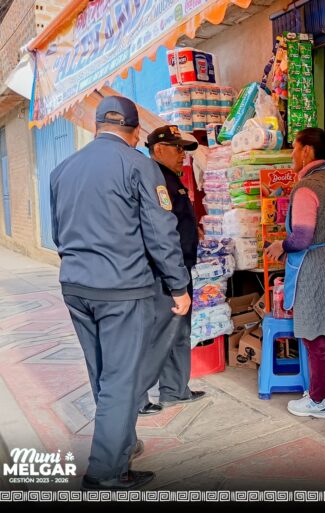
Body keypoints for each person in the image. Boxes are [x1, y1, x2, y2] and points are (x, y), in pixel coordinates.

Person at [50, 97, 191, 490]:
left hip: (75, 287)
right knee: (122, 378)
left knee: (103, 373)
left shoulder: (62, 169)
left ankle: (121, 445)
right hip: (121, 289)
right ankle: (105, 472)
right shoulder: (140, 166)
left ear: (97, 126)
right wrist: (178, 286)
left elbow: (58, 235)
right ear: (134, 133)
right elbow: (162, 233)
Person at [264, 128, 325, 419]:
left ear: (306, 152)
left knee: (314, 334)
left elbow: (301, 238)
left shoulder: (306, 188)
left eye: (294, 149)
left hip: (314, 267)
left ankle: (318, 401)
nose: (291, 155)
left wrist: (281, 245)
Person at [138, 125, 206, 416]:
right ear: (158, 150)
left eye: (184, 149)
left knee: (179, 332)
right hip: (166, 274)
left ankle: (176, 389)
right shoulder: (155, 180)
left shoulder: (171, 179)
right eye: (177, 148)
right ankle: (136, 399)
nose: (182, 155)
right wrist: (174, 278)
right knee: (157, 337)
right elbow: (158, 234)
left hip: (181, 269)